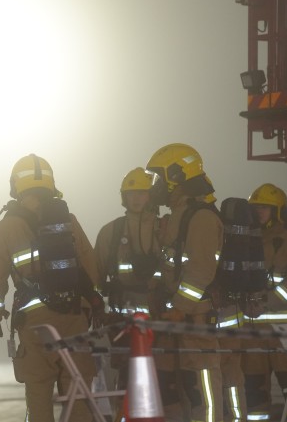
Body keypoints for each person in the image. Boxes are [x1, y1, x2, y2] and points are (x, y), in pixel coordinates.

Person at [0, 154, 103, 422]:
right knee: (78, 398)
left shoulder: (7, 227)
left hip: (36, 327)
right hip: (75, 320)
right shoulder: (68, 220)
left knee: (39, 399)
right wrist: (86, 308)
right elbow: (91, 268)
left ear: (16, 187)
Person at [146, 143, 224, 422]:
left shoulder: (200, 216)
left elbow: (201, 270)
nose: (155, 186)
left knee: (203, 390)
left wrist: (179, 306)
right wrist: (156, 286)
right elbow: (171, 264)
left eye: (159, 178)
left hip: (196, 318)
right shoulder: (178, 214)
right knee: (180, 390)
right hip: (178, 318)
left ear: (176, 176)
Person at [93, 166, 171, 417]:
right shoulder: (111, 232)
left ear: (152, 196)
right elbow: (97, 276)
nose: (136, 198)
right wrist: (96, 309)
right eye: (131, 193)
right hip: (122, 325)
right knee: (125, 384)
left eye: (142, 193)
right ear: (123, 197)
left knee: (166, 384)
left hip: (161, 322)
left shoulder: (166, 229)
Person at [241, 183, 287, 422]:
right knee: (254, 394)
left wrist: (265, 302)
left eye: (265, 208)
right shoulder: (245, 243)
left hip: (286, 333)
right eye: (256, 208)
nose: (259, 212)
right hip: (253, 332)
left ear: (279, 211)